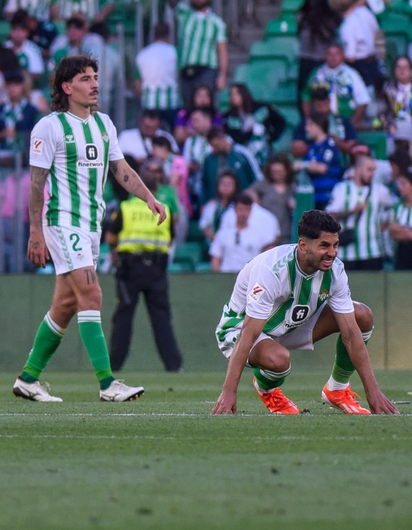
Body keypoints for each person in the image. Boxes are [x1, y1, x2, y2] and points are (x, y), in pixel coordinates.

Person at [14, 55, 164, 404]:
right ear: (67, 88)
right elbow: (36, 184)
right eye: (85, 78)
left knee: (66, 304)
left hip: (91, 225)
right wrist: (35, 232)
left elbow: (121, 168)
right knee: (92, 294)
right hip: (62, 221)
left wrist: (148, 198)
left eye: (95, 77)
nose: (94, 83)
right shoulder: (49, 127)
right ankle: (107, 383)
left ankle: (29, 378)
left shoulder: (104, 124)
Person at [212, 211, 398, 416]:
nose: (332, 253)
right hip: (240, 330)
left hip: (290, 324)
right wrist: (228, 391)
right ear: (303, 246)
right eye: (324, 246)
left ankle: (337, 389)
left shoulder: (335, 270)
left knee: (361, 315)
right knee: (279, 360)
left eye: (335, 245)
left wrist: (373, 391)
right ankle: (267, 388)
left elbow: (351, 335)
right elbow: (248, 333)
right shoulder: (272, 270)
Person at [103, 158, 183, 372]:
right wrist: (117, 257)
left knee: (160, 320)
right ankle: (114, 366)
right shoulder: (127, 207)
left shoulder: (160, 208)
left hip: (154, 269)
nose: (154, 173)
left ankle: (174, 366)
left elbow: (171, 238)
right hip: (131, 268)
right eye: (149, 170)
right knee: (125, 320)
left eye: (158, 170)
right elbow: (111, 237)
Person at [326, 151, 395, 271]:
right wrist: (352, 211)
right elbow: (329, 215)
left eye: (374, 170)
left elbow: (394, 207)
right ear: (358, 169)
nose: (372, 174)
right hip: (346, 253)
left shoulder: (380, 190)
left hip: (373, 252)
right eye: (369, 170)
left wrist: (387, 222)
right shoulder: (342, 189)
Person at [177, 0, 228, 94]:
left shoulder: (217, 23)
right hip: (186, 69)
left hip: (207, 70)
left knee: (205, 105)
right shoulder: (184, 15)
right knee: (188, 107)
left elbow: (222, 50)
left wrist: (222, 75)